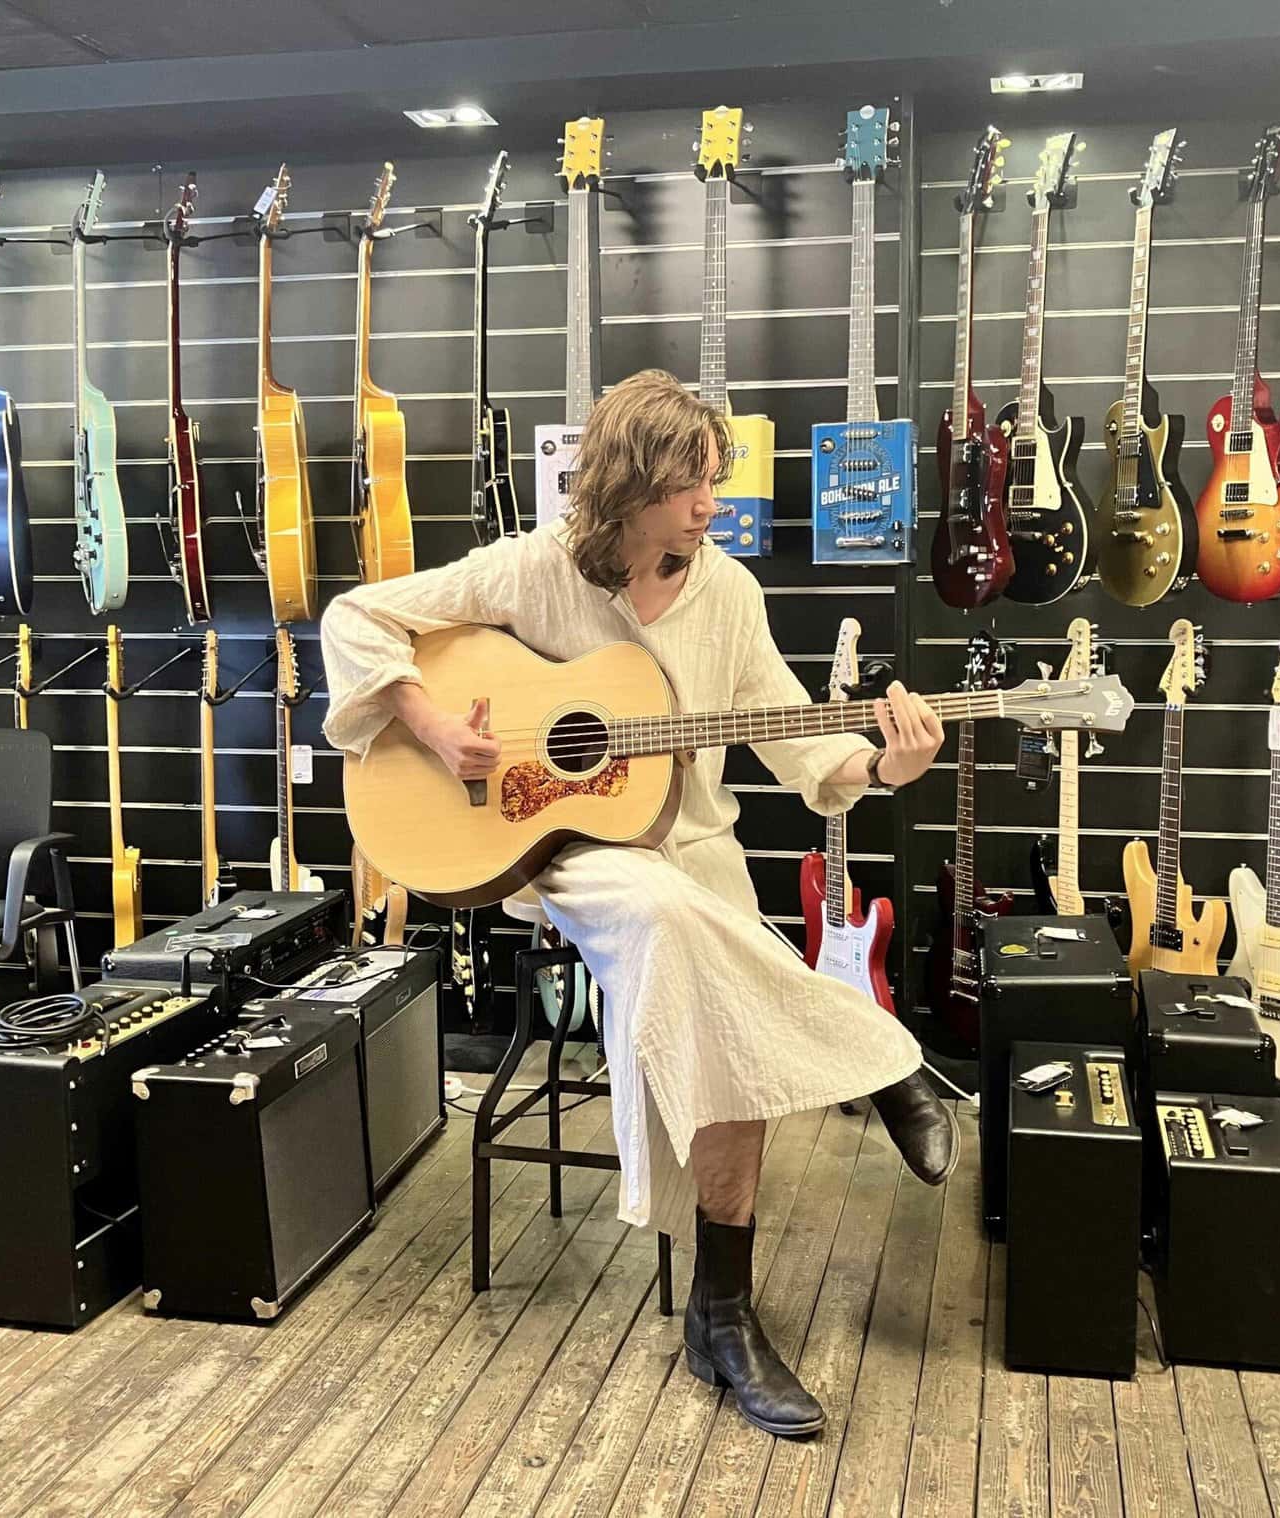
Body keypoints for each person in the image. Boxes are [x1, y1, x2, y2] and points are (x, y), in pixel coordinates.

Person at [320, 368, 954, 1439]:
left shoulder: (730, 594)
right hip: (556, 854)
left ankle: (721, 1311)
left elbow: (796, 737)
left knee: (711, 959)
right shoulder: (529, 571)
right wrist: (430, 726)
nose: (712, 504)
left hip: (693, 851)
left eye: (715, 479)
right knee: (669, 921)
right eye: (689, 485)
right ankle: (878, 1053)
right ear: (622, 489)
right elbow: (356, 613)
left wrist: (884, 768)